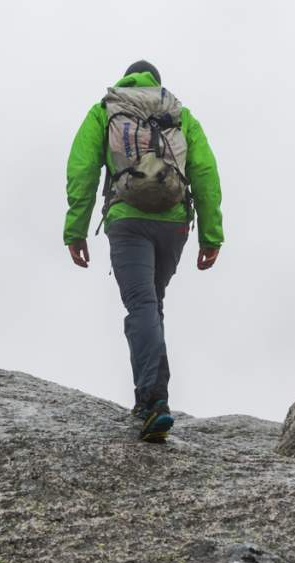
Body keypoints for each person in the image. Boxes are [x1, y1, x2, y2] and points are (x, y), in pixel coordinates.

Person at [63, 60, 224, 443]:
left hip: (127, 221)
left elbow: (82, 169)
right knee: (152, 304)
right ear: (157, 82)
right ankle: (148, 399)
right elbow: (204, 172)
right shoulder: (179, 114)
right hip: (173, 224)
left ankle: (154, 402)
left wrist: (76, 229)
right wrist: (210, 235)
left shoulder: (106, 109)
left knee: (141, 305)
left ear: (127, 78)